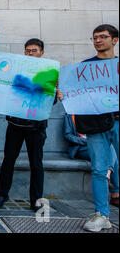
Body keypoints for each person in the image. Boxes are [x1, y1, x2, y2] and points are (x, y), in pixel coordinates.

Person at [58, 24, 119, 232]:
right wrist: (63, 95)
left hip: (117, 121)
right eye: (95, 37)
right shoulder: (84, 68)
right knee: (99, 169)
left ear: (115, 40)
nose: (98, 40)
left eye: (103, 37)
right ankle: (102, 215)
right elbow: (73, 94)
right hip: (95, 124)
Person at [0, 39, 62, 211]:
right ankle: (2, 194)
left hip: (37, 126)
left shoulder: (50, 72)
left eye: (34, 50)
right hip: (15, 124)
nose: (30, 53)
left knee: (36, 164)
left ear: (42, 52)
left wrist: (56, 94)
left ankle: (36, 200)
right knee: (8, 160)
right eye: (27, 51)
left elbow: (50, 101)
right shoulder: (17, 71)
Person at [63, 113, 119, 208]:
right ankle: (114, 188)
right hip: (81, 147)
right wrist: (86, 141)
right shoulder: (68, 116)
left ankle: (108, 173)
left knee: (110, 149)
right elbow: (68, 135)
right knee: (109, 153)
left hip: (97, 141)